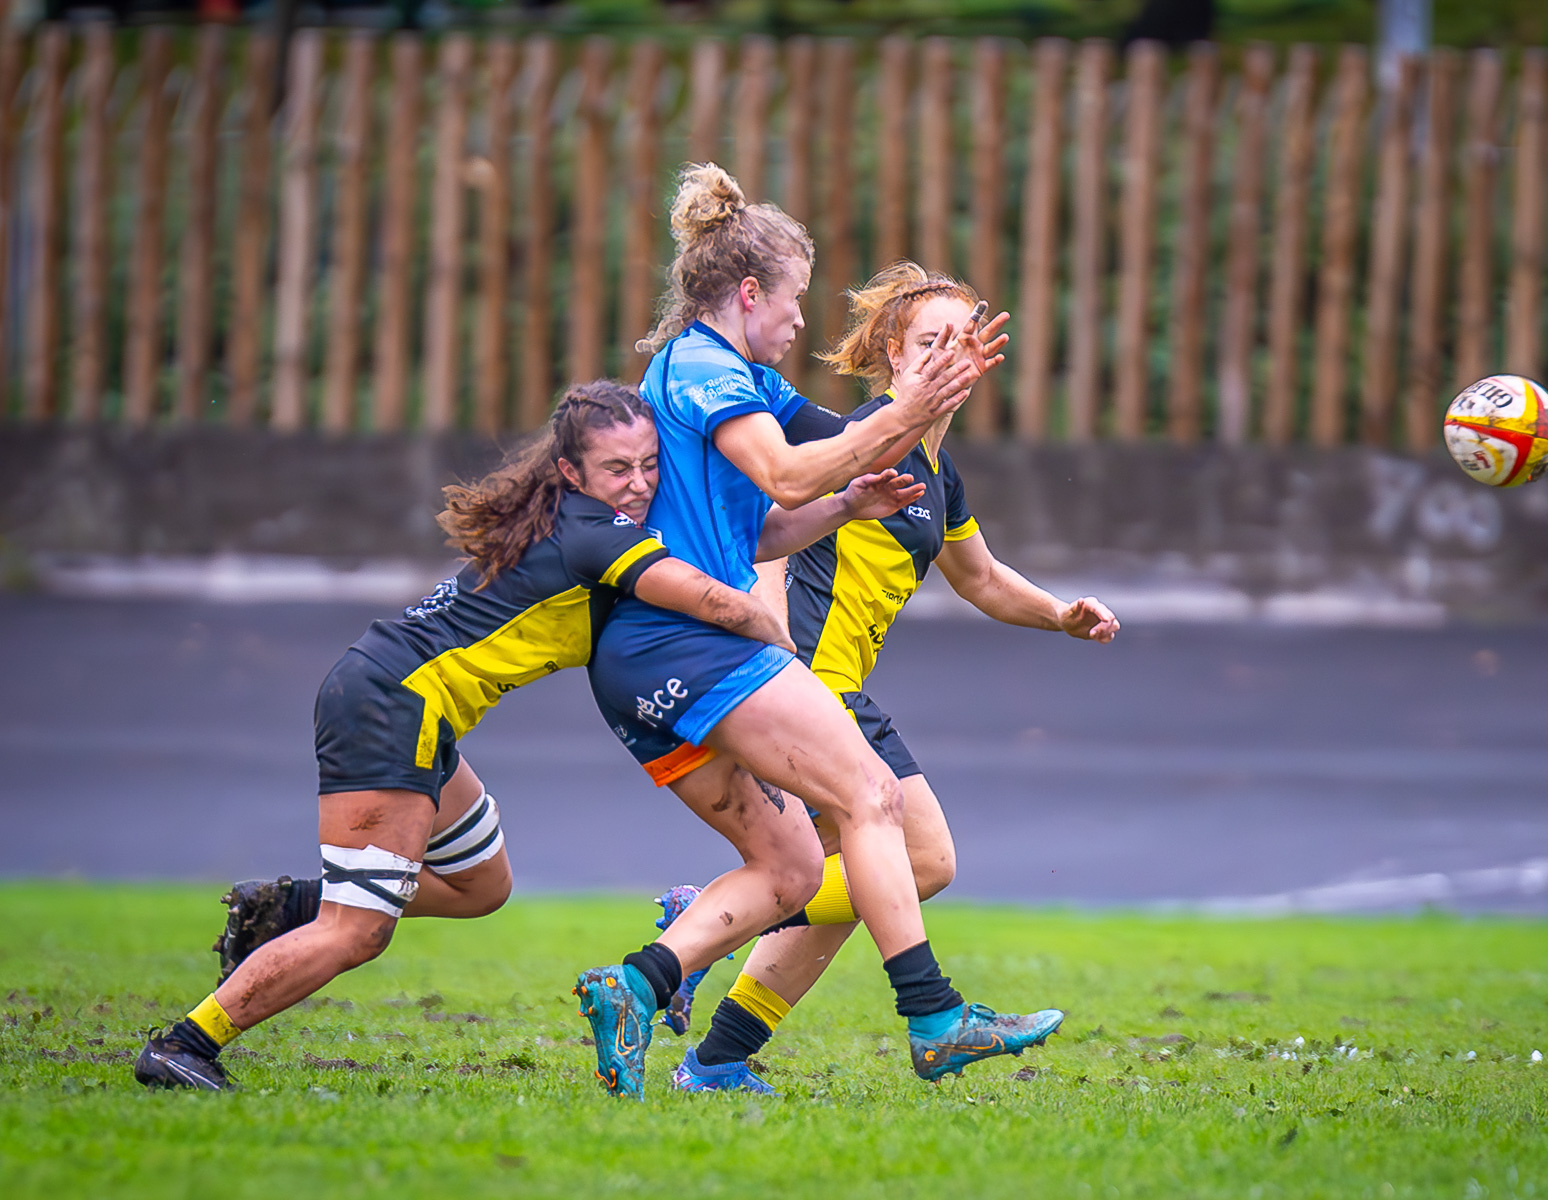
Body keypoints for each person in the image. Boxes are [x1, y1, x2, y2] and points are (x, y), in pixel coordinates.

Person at [133, 381, 914, 1090]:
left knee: (482, 887)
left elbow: (744, 543)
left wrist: (842, 507)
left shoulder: (587, 518)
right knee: (358, 931)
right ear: (572, 473)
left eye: (649, 464)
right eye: (617, 470)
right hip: (392, 704)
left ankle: (292, 907)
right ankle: (186, 1043)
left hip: (406, 704)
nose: (640, 483)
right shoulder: (595, 535)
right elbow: (716, 598)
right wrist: (783, 669)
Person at [575, 163, 1063, 1099]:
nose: (803, 322)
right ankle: (935, 1017)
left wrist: (856, 490)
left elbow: (800, 489)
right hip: (697, 645)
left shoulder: (738, 377)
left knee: (796, 868)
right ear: (751, 293)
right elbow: (791, 474)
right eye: (795, 299)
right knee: (873, 806)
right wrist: (904, 412)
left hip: (662, 653)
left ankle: (643, 990)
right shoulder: (707, 369)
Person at [657, 262, 1121, 1094]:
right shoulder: (858, 439)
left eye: (961, 338)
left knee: (865, 885)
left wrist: (1061, 615)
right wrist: (774, 663)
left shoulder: (937, 477)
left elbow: (979, 577)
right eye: (928, 341)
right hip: (808, 687)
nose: (947, 354)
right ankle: (703, 930)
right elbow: (766, 531)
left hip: (833, 692)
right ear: (895, 359)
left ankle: (718, 1057)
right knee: (925, 863)